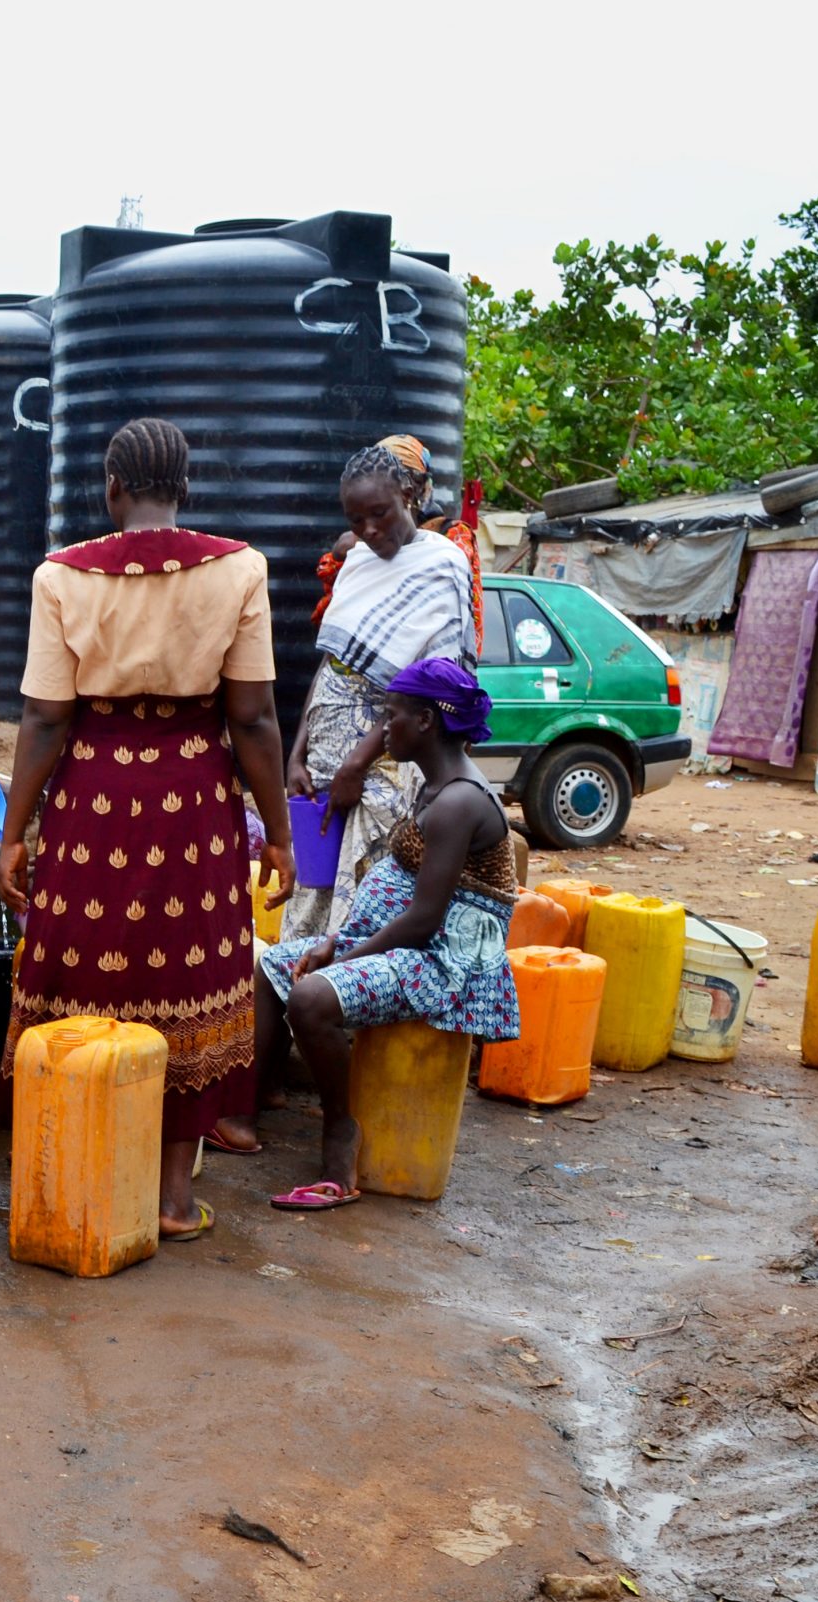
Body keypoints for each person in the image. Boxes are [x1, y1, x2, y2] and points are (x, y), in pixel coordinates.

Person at [0, 417, 295, 1238]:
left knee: (84, 967)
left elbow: (46, 718)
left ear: (111, 487)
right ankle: (169, 1198)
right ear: (186, 488)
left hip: (93, 797)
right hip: (194, 798)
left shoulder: (61, 576)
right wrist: (278, 831)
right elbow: (256, 717)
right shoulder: (240, 569)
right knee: (186, 980)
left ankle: (75, 1168)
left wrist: (15, 830)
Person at [246, 658, 521, 1208]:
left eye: (390, 716)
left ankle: (339, 1137)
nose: (381, 727)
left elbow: (423, 921)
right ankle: (245, 1109)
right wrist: (333, 941)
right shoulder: (436, 787)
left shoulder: (460, 802)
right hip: (410, 947)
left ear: (425, 721)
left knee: (311, 996)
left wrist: (342, 962)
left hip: (445, 967)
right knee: (272, 964)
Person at [281, 444, 477, 951]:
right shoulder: (358, 564)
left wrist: (357, 762)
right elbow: (331, 663)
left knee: (366, 887)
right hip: (323, 757)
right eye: (356, 519)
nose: (369, 530)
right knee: (314, 886)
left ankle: (342, 1014)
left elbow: (429, 687)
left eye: (379, 513)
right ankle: (298, 1006)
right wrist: (297, 752)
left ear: (409, 495)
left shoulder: (442, 563)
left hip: (384, 762)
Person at [311, 434, 484, 648]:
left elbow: (464, 622)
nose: (370, 527)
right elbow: (333, 624)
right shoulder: (362, 546)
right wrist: (339, 559)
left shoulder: (451, 540)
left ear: (413, 490)